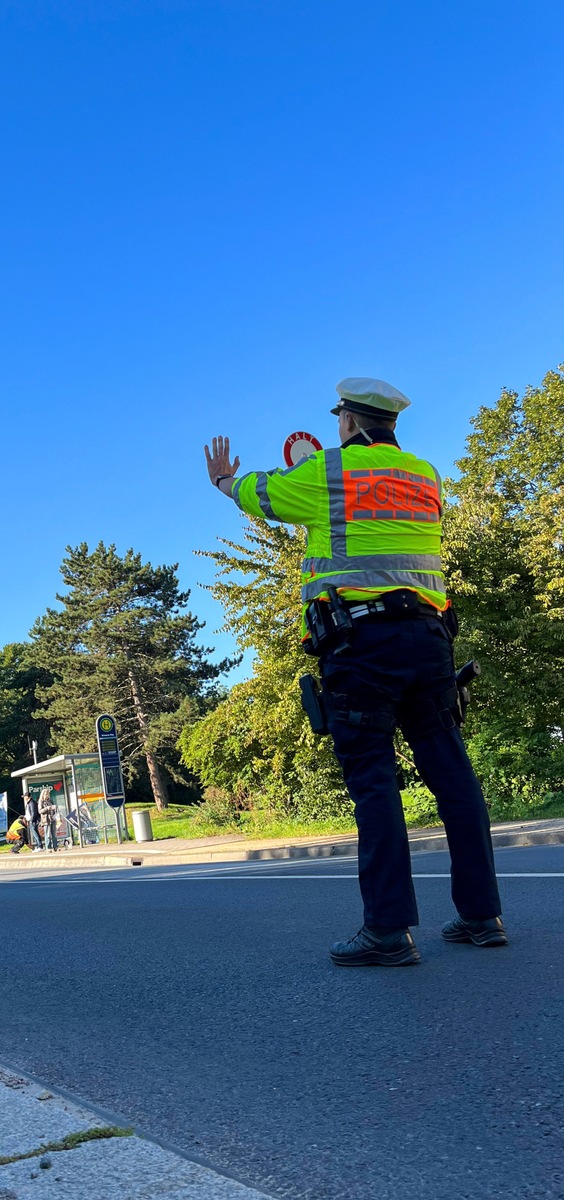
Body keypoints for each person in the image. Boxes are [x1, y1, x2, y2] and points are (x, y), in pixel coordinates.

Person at [206, 377, 506, 966]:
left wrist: (222, 480)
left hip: (362, 645)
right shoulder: (426, 475)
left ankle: (389, 932)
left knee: (374, 781)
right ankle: (481, 916)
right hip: (430, 640)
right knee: (451, 773)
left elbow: (261, 495)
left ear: (346, 421)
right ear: (391, 424)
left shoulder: (329, 473)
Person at [38, 788, 59, 852]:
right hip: (46, 820)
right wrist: (47, 808)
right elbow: (40, 811)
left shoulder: (50, 801)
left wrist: (54, 807)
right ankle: (48, 848)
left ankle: (55, 847)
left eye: (48, 794)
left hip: (52, 818)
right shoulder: (41, 802)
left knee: (54, 834)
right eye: (46, 794)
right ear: (43, 795)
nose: (47, 795)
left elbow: (53, 808)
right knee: (47, 834)